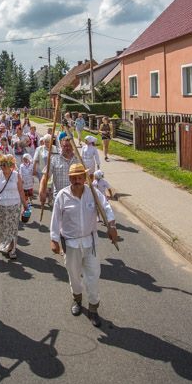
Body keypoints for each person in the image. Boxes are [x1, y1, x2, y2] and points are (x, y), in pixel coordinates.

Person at [50, 163, 117, 327]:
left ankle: (93, 308)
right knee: (74, 275)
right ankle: (77, 299)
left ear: (85, 178)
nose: (77, 180)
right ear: (70, 179)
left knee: (93, 276)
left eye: (80, 177)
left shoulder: (93, 193)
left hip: (90, 241)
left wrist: (112, 226)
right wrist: (54, 239)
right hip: (70, 243)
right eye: (74, 178)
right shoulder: (62, 196)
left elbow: (106, 208)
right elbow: (56, 218)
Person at [0, 153, 28, 260]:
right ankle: (5, 243)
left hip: (14, 206)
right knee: (2, 228)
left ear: (10, 164)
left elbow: (20, 190)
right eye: (1, 164)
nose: (2, 167)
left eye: (4, 164)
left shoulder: (16, 175)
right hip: (0, 207)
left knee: (13, 228)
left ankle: (12, 248)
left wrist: (25, 205)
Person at [39, 136, 80, 207]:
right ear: (61, 146)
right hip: (59, 199)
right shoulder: (54, 159)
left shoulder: (78, 159)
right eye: (65, 146)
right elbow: (45, 176)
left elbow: (86, 179)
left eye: (70, 146)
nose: (68, 148)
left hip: (75, 199)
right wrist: (42, 191)